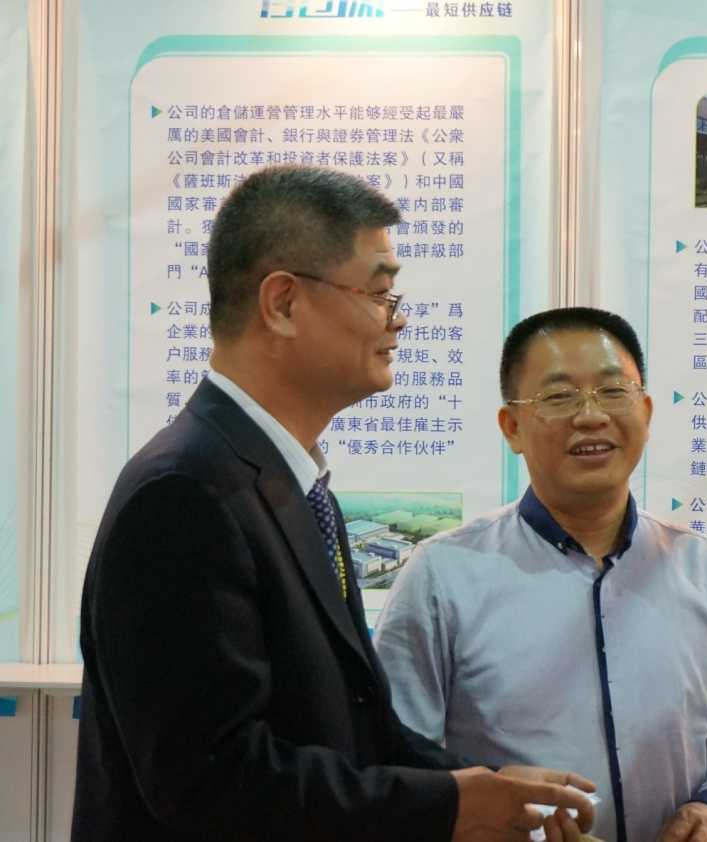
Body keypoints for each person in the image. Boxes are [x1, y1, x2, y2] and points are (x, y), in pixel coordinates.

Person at [72, 165, 595, 842]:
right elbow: (212, 782)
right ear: (283, 303)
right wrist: (448, 808)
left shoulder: (288, 483)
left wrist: (492, 792)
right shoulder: (183, 494)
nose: (397, 320)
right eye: (378, 293)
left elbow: (357, 729)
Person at [374, 307, 707, 842]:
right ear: (512, 427)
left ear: (646, 412)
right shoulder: (442, 576)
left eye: (613, 392)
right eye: (560, 396)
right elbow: (396, 757)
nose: (591, 417)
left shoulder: (704, 569)